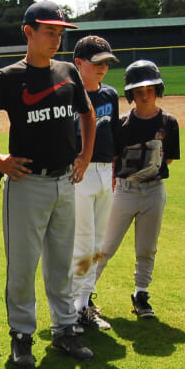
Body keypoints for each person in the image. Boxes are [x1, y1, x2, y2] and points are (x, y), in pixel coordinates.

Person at [0, 0, 96, 368]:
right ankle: (22, 334)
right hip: (27, 184)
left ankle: (65, 329)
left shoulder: (68, 71)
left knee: (60, 262)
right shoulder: (10, 77)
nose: (56, 39)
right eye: (49, 31)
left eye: (60, 33)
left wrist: (86, 156)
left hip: (64, 182)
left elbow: (87, 115)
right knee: (23, 265)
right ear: (28, 32)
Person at [92, 59, 180, 319]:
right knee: (105, 246)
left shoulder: (169, 122)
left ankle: (141, 294)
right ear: (130, 94)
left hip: (154, 191)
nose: (144, 95)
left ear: (158, 90)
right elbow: (114, 158)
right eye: (138, 91)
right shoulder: (121, 124)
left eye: (149, 90)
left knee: (147, 247)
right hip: (125, 191)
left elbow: (170, 158)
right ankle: (85, 294)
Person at [70, 36, 121, 331]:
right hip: (80, 173)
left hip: (105, 172)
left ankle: (84, 304)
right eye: (97, 62)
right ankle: (71, 308)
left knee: (98, 244)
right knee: (82, 243)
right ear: (79, 64)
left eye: (106, 63)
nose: (103, 67)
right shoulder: (70, 96)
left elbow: (113, 135)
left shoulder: (110, 95)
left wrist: (114, 170)